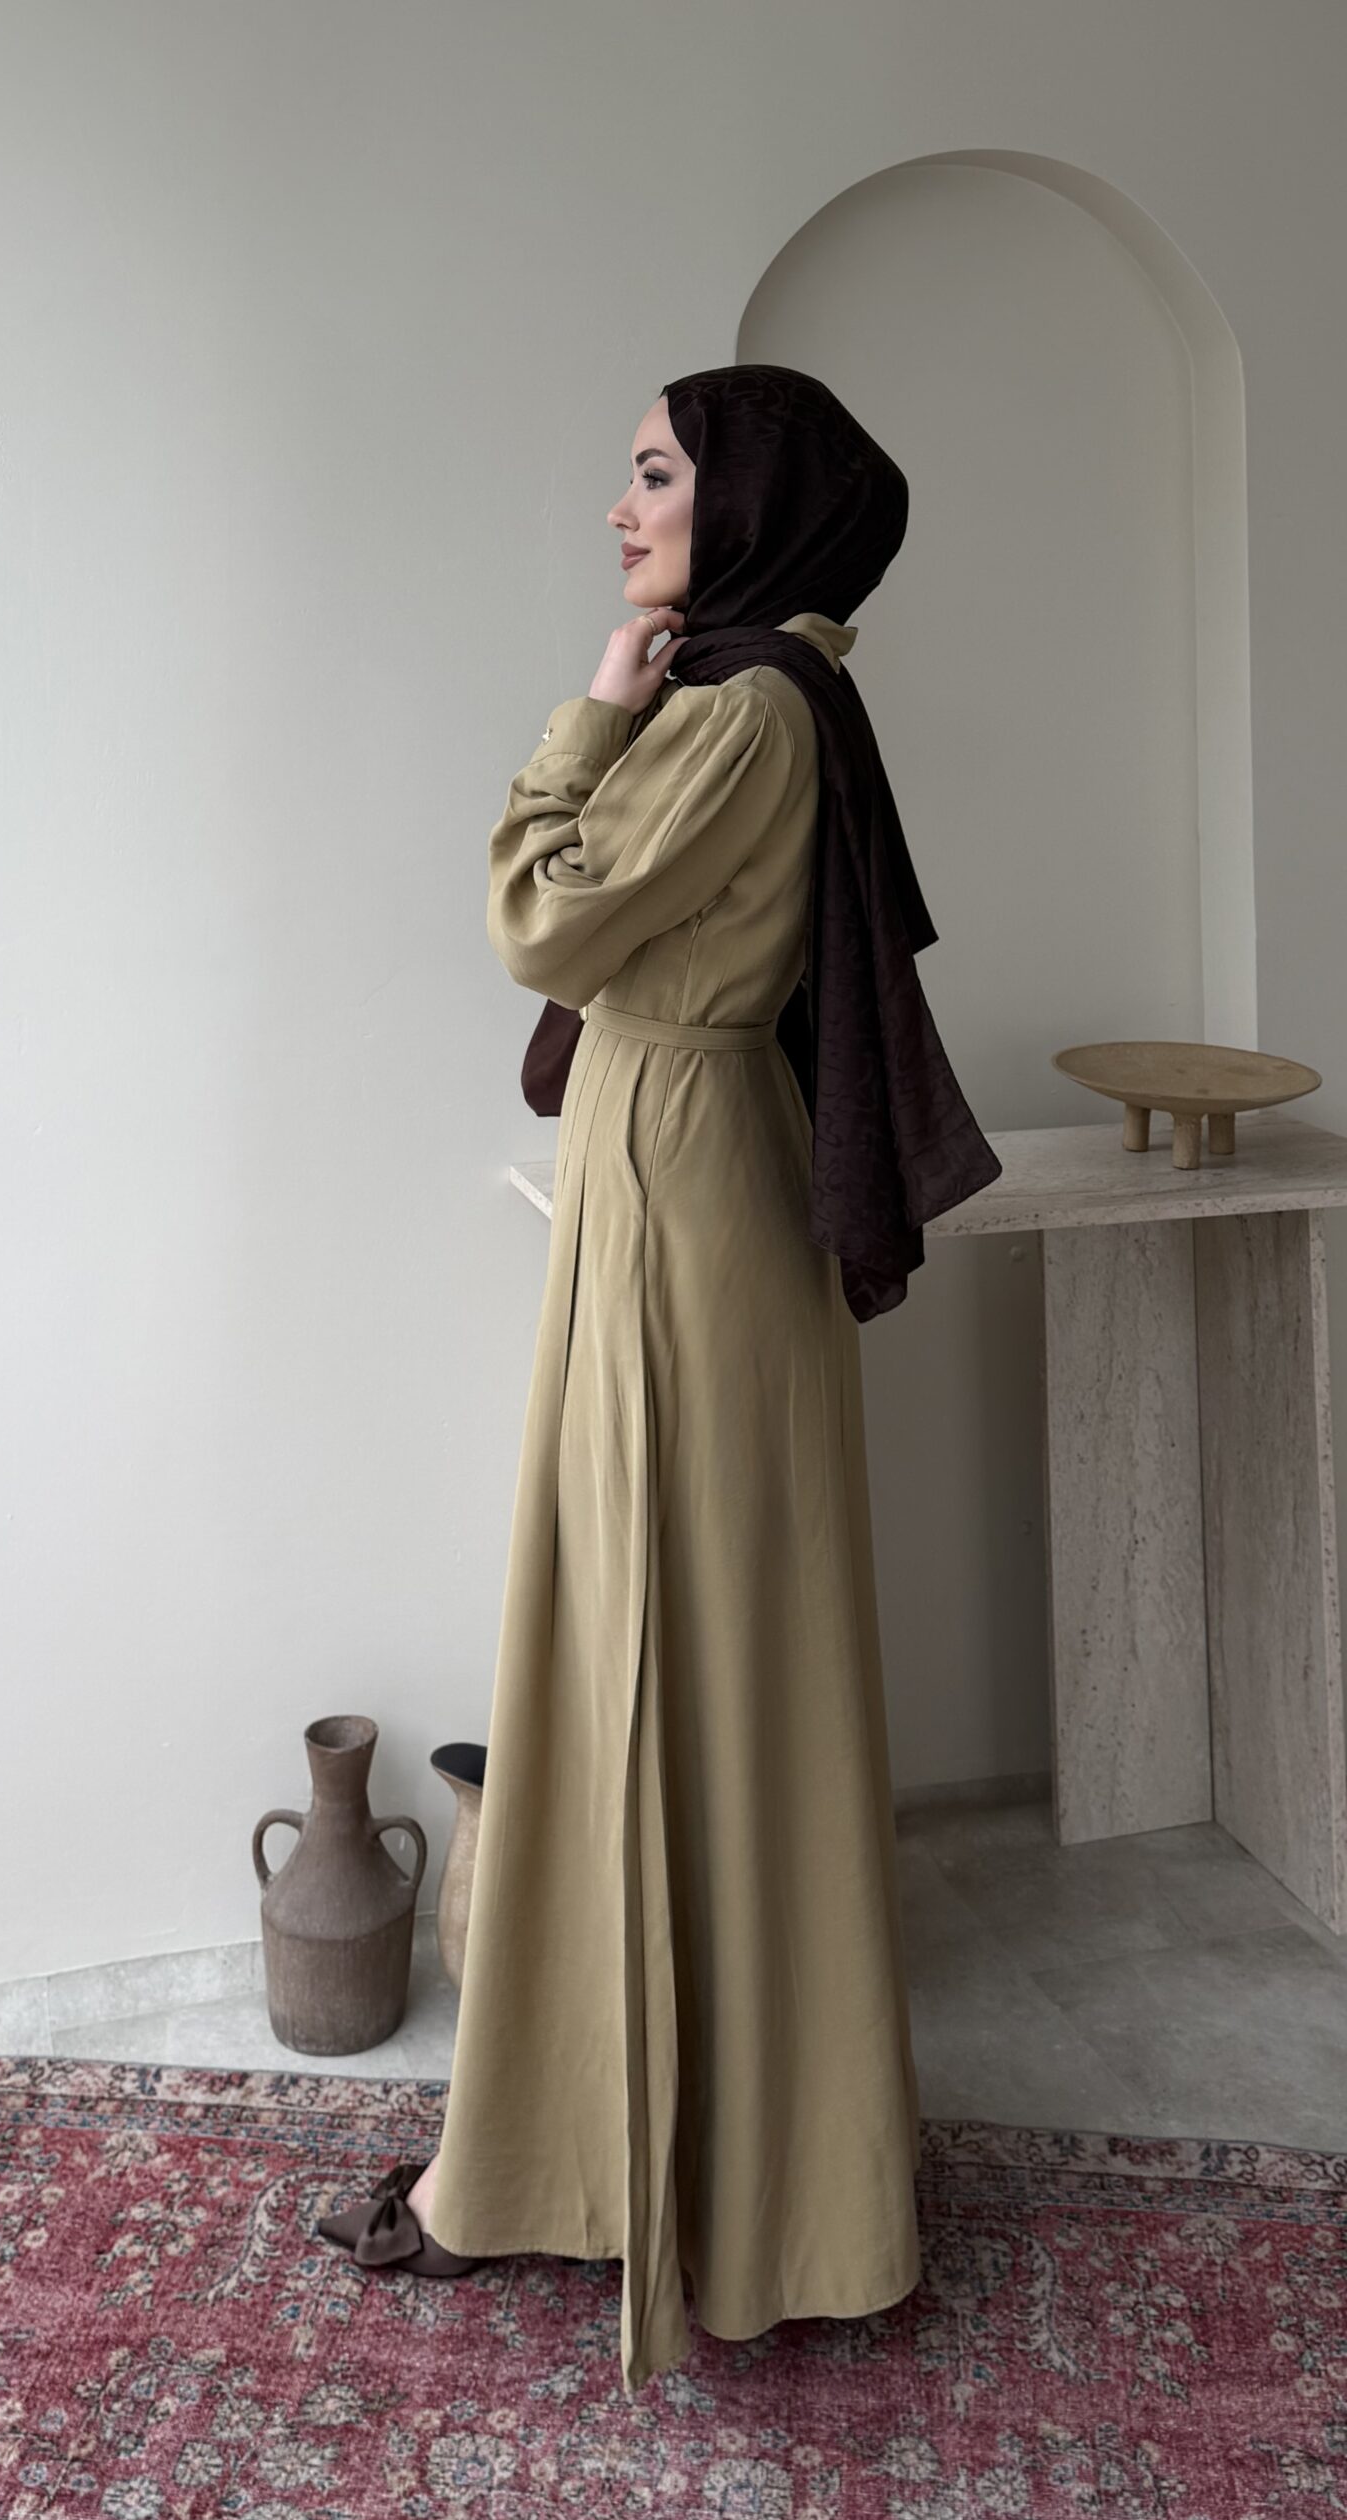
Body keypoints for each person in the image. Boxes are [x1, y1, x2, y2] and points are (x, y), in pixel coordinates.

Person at [319, 369, 988, 2397]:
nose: (622, 508)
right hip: (672, 1169)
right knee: (661, 1654)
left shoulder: (740, 711)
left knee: (670, 1661)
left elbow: (544, 915)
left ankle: (720, 2186)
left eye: (655, 471)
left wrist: (588, 717)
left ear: (747, 499)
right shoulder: (765, 693)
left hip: (685, 1189)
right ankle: (650, 2161)